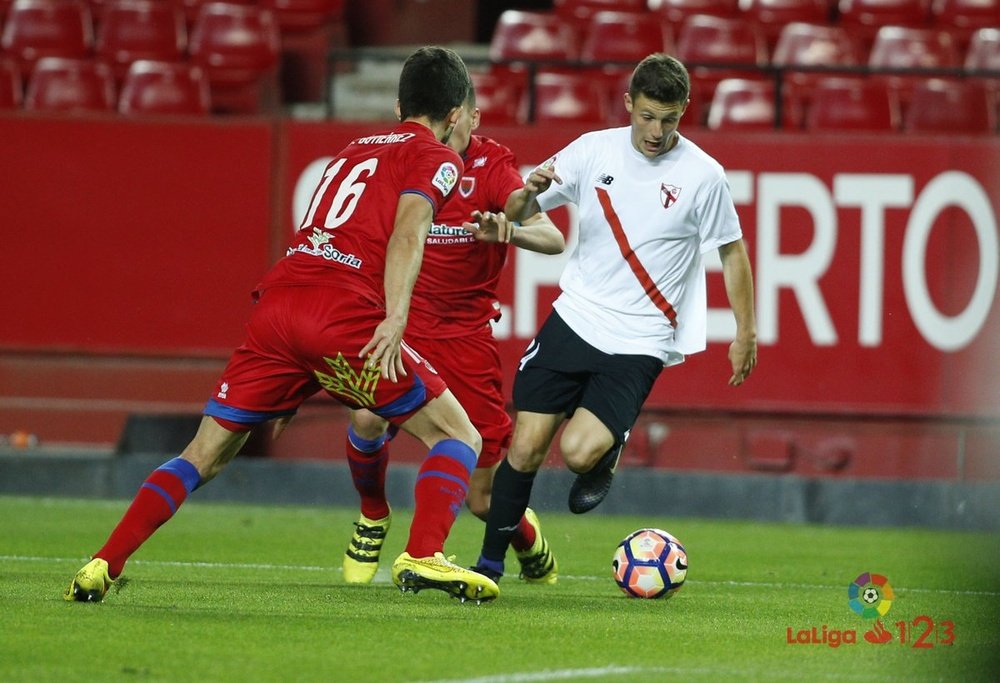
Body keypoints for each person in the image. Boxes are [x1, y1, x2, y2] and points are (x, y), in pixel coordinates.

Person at [65, 46, 501, 604]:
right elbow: (408, 232)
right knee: (458, 434)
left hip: (278, 309)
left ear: (399, 104)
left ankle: (104, 561)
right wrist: (396, 316)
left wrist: (295, 377)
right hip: (341, 313)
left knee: (203, 453)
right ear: (457, 113)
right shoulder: (438, 156)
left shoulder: (350, 150)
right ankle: (422, 554)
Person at [473, 53, 758, 582]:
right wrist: (527, 193)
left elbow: (732, 252)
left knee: (578, 454)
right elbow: (518, 213)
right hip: (576, 317)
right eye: (647, 116)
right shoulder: (590, 151)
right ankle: (489, 565)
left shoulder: (704, 176)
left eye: (669, 120)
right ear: (629, 104)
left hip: (641, 337)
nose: (656, 131)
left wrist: (746, 331)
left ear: (684, 111)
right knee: (527, 446)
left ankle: (608, 449)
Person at [341, 88, 565, 586]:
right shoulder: (403, 155)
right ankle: (373, 514)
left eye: (456, 120)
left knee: (481, 497)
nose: (448, 129)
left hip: (466, 342)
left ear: (470, 118)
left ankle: (526, 538)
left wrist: (510, 227)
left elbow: (552, 237)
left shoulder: (490, 164)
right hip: (403, 325)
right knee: (366, 416)